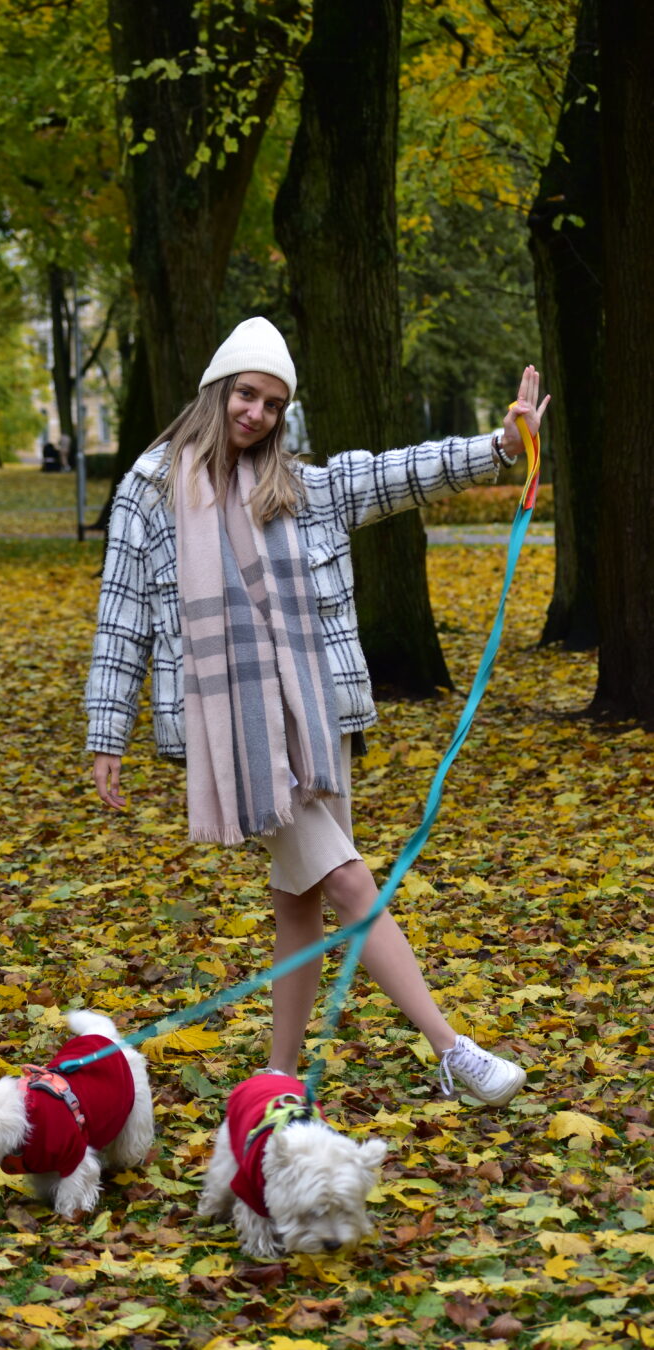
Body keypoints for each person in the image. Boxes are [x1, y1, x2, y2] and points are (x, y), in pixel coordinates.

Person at [86, 317, 549, 1106]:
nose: (256, 414)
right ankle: (453, 1051)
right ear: (216, 390)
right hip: (234, 729)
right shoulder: (152, 484)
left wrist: (500, 448)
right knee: (347, 880)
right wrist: (108, 733)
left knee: (299, 903)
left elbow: (396, 474)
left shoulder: (296, 488)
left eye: (272, 403)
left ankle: (280, 1083)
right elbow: (122, 607)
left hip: (314, 720)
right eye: (245, 394)